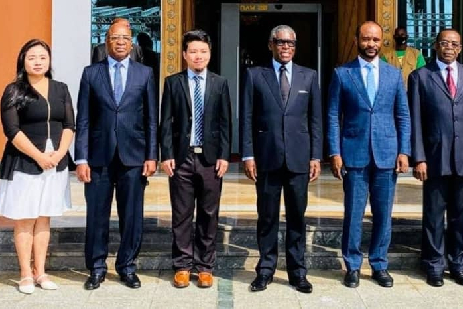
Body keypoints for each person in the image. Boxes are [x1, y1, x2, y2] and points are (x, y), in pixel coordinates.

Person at [75, 18, 158, 290]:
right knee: (96, 216)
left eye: (124, 38)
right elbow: (84, 119)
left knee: (131, 216)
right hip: (98, 157)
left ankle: (127, 266)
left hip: (133, 157)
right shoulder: (91, 73)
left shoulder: (144, 73)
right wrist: (82, 158)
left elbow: (150, 119)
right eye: (114, 38)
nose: (120, 42)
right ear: (106, 41)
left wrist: (151, 155)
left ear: (132, 42)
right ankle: (96, 267)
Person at [240, 24, 323, 293]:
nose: (286, 47)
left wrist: (315, 156)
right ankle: (265, 269)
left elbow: (315, 120)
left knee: (297, 217)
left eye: (291, 43)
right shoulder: (254, 75)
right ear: (270, 45)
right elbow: (248, 118)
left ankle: (298, 271)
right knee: (267, 218)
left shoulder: (309, 76)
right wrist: (248, 154)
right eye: (280, 42)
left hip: (299, 159)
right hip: (266, 157)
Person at [328, 21, 410, 288]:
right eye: (366, 39)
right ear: (356, 40)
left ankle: (379, 264)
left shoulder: (393, 75)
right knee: (353, 213)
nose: (371, 44)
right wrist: (335, 152)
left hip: (387, 153)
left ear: (381, 41)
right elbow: (332, 116)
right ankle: (352, 265)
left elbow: (402, 115)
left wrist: (404, 151)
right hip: (354, 153)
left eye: (375, 39)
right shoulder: (342, 74)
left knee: (383, 213)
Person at [408, 29, 463, 287]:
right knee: (433, 215)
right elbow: (415, 120)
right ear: (436, 46)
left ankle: (458, 264)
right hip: (434, 156)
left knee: (460, 214)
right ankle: (433, 265)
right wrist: (418, 157)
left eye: (454, 44)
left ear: (460, 48)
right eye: (444, 43)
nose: (449, 47)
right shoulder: (420, 77)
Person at [0, 39, 74, 294]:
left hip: (55, 162)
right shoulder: (14, 90)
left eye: (42, 57)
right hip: (25, 161)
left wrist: (60, 154)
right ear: (23, 61)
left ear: (49, 60)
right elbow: (12, 130)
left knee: (43, 218)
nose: (38, 61)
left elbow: (70, 125)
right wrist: (40, 156)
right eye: (32, 57)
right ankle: (25, 274)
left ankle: (41, 272)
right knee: (25, 218)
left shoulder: (61, 88)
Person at [160, 29, 232, 289]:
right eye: (193, 51)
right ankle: (181, 265)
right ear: (184, 55)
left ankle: (204, 266)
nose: (198, 56)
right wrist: (166, 154)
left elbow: (225, 122)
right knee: (181, 213)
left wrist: (225, 155)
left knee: (209, 213)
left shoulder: (220, 83)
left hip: (211, 159)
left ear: (209, 54)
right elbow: (165, 122)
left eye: (203, 51)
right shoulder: (173, 82)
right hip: (181, 158)